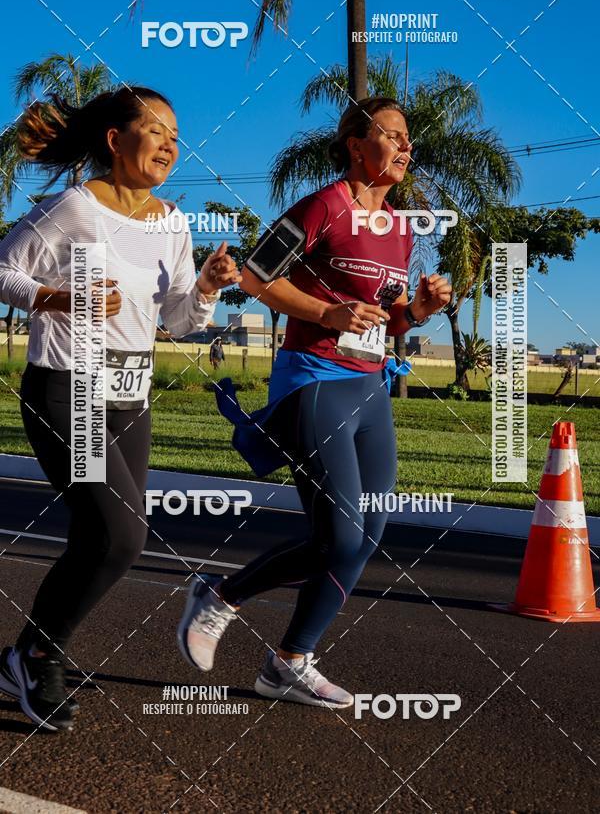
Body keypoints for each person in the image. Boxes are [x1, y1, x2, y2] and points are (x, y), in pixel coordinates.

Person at [178, 97, 452, 708]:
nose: (406, 147)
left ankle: (288, 663)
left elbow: (386, 318)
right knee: (342, 536)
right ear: (357, 145)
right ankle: (220, 596)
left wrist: (418, 311)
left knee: (367, 533)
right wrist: (326, 312)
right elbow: (255, 277)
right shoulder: (323, 206)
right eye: (393, 135)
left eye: (409, 139)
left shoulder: (400, 228)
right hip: (315, 380)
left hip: (370, 387)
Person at [0, 86, 240, 732]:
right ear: (115, 139)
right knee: (122, 534)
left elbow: (180, 322)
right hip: (71, 388)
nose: (169, 144)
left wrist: (207, 288)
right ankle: (36, 656)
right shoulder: (76, 207)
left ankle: (25, 656)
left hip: (131, 398)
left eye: (175, 136)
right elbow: (2, 270)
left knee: (105, 538)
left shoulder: (174, 224)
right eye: (156, 130)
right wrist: (60, 299)